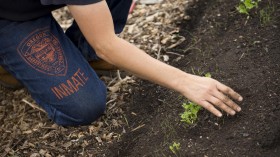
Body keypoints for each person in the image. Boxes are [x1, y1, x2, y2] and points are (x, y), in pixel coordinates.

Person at [0, 0, 243, 126]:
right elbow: (107, 44)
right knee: (84, 106)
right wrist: (186, 82)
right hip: (9, 16)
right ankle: (8, 64)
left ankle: (84, 53)